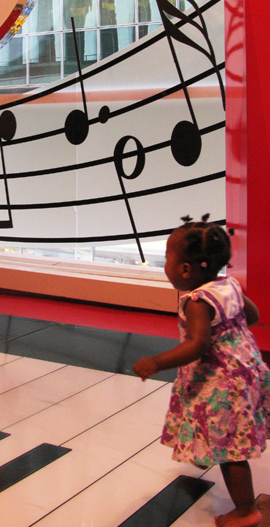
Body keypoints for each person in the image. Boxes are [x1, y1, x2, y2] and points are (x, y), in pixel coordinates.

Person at [133, 215, 270, 527]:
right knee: (231, 440)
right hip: (248, 369)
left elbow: (196, 345)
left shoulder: (197, 301)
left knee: (231, 451)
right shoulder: (230, 285)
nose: (165, 264)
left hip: (223, 381)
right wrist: (231, 334)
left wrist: (156, 362)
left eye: (168, 257)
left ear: (185, 269)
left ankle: (246, 511)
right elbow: (254, 315)